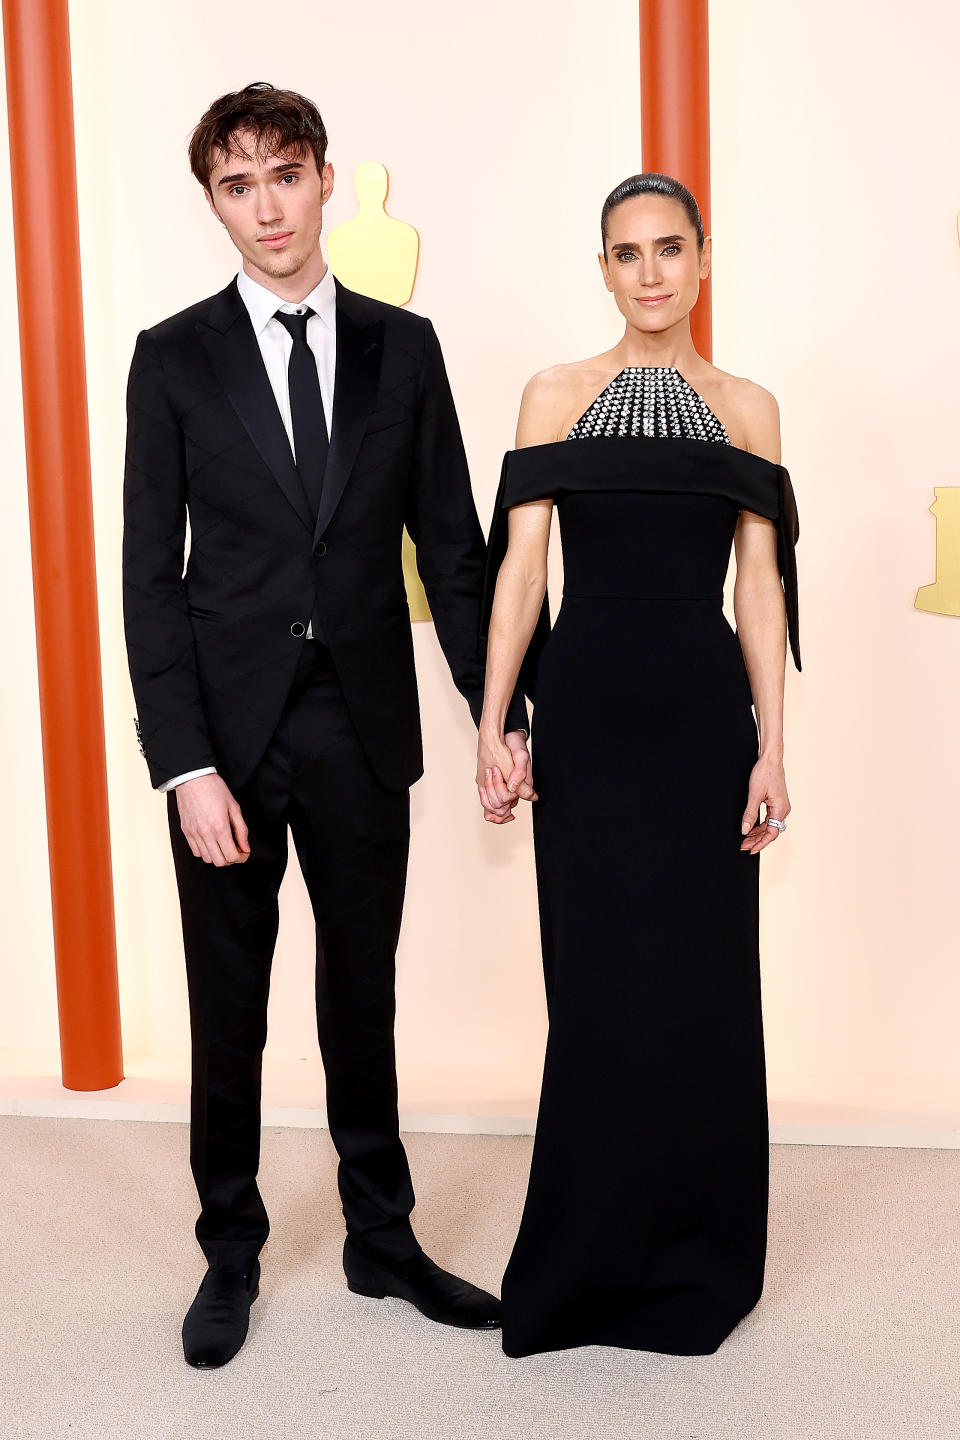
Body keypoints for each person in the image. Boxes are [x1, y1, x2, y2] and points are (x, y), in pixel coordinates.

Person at [122, 81, 532, 1369]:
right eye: (237, 186)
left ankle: (382, 1239)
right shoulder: (172, 356)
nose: (266, 206)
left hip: (361, 726)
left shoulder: (405, 351)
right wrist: (183, 762)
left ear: (323, 179)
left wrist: (495, 713)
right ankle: (229, 1251)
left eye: (283, 174)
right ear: (214, 206)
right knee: (227, 1007)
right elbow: (149, 576)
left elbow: (454, 553)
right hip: (228, 747)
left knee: (364, 994)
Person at [477, 173, 801, 1358]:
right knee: (601, 988)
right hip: (587, 718)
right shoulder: (553, 393)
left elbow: (759, 590)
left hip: (704, 722)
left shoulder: (751, 407)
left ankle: (697, 1263)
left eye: (671, 249)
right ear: (602, 268)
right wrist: (493, 718)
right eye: (627, 253)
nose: (651, 272)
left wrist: (773, 745)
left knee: (704, 992)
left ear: (704, 260)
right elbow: (521, 573)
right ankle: (584, 1263)